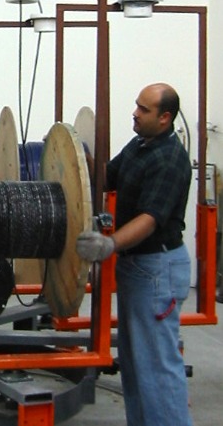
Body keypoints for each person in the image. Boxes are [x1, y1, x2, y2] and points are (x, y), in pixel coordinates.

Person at [76, 83, 193, 426]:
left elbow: (150, 219)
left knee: (157, 369)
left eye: (144, 109)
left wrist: (110, 244)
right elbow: (107, 177)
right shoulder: (140, 144)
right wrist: (75, 157)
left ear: (165, 117)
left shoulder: (169, 159)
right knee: (136, 364)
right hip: (138, 268)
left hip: (157, 271)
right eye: (137, 105)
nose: (135, 113)